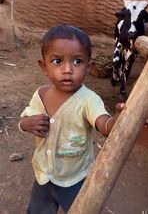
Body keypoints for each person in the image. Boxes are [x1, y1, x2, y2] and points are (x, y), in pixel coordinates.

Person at [19, 24, 125, 214]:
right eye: (57, 61)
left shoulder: (89, 100)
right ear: (44, 66)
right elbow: (26, 119)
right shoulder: (40, 95)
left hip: (75, 179)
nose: (67, 69)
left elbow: (104, 124)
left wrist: (119, 119)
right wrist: (26, 124)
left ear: (89, 67)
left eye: (77, 61)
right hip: (43, 175)